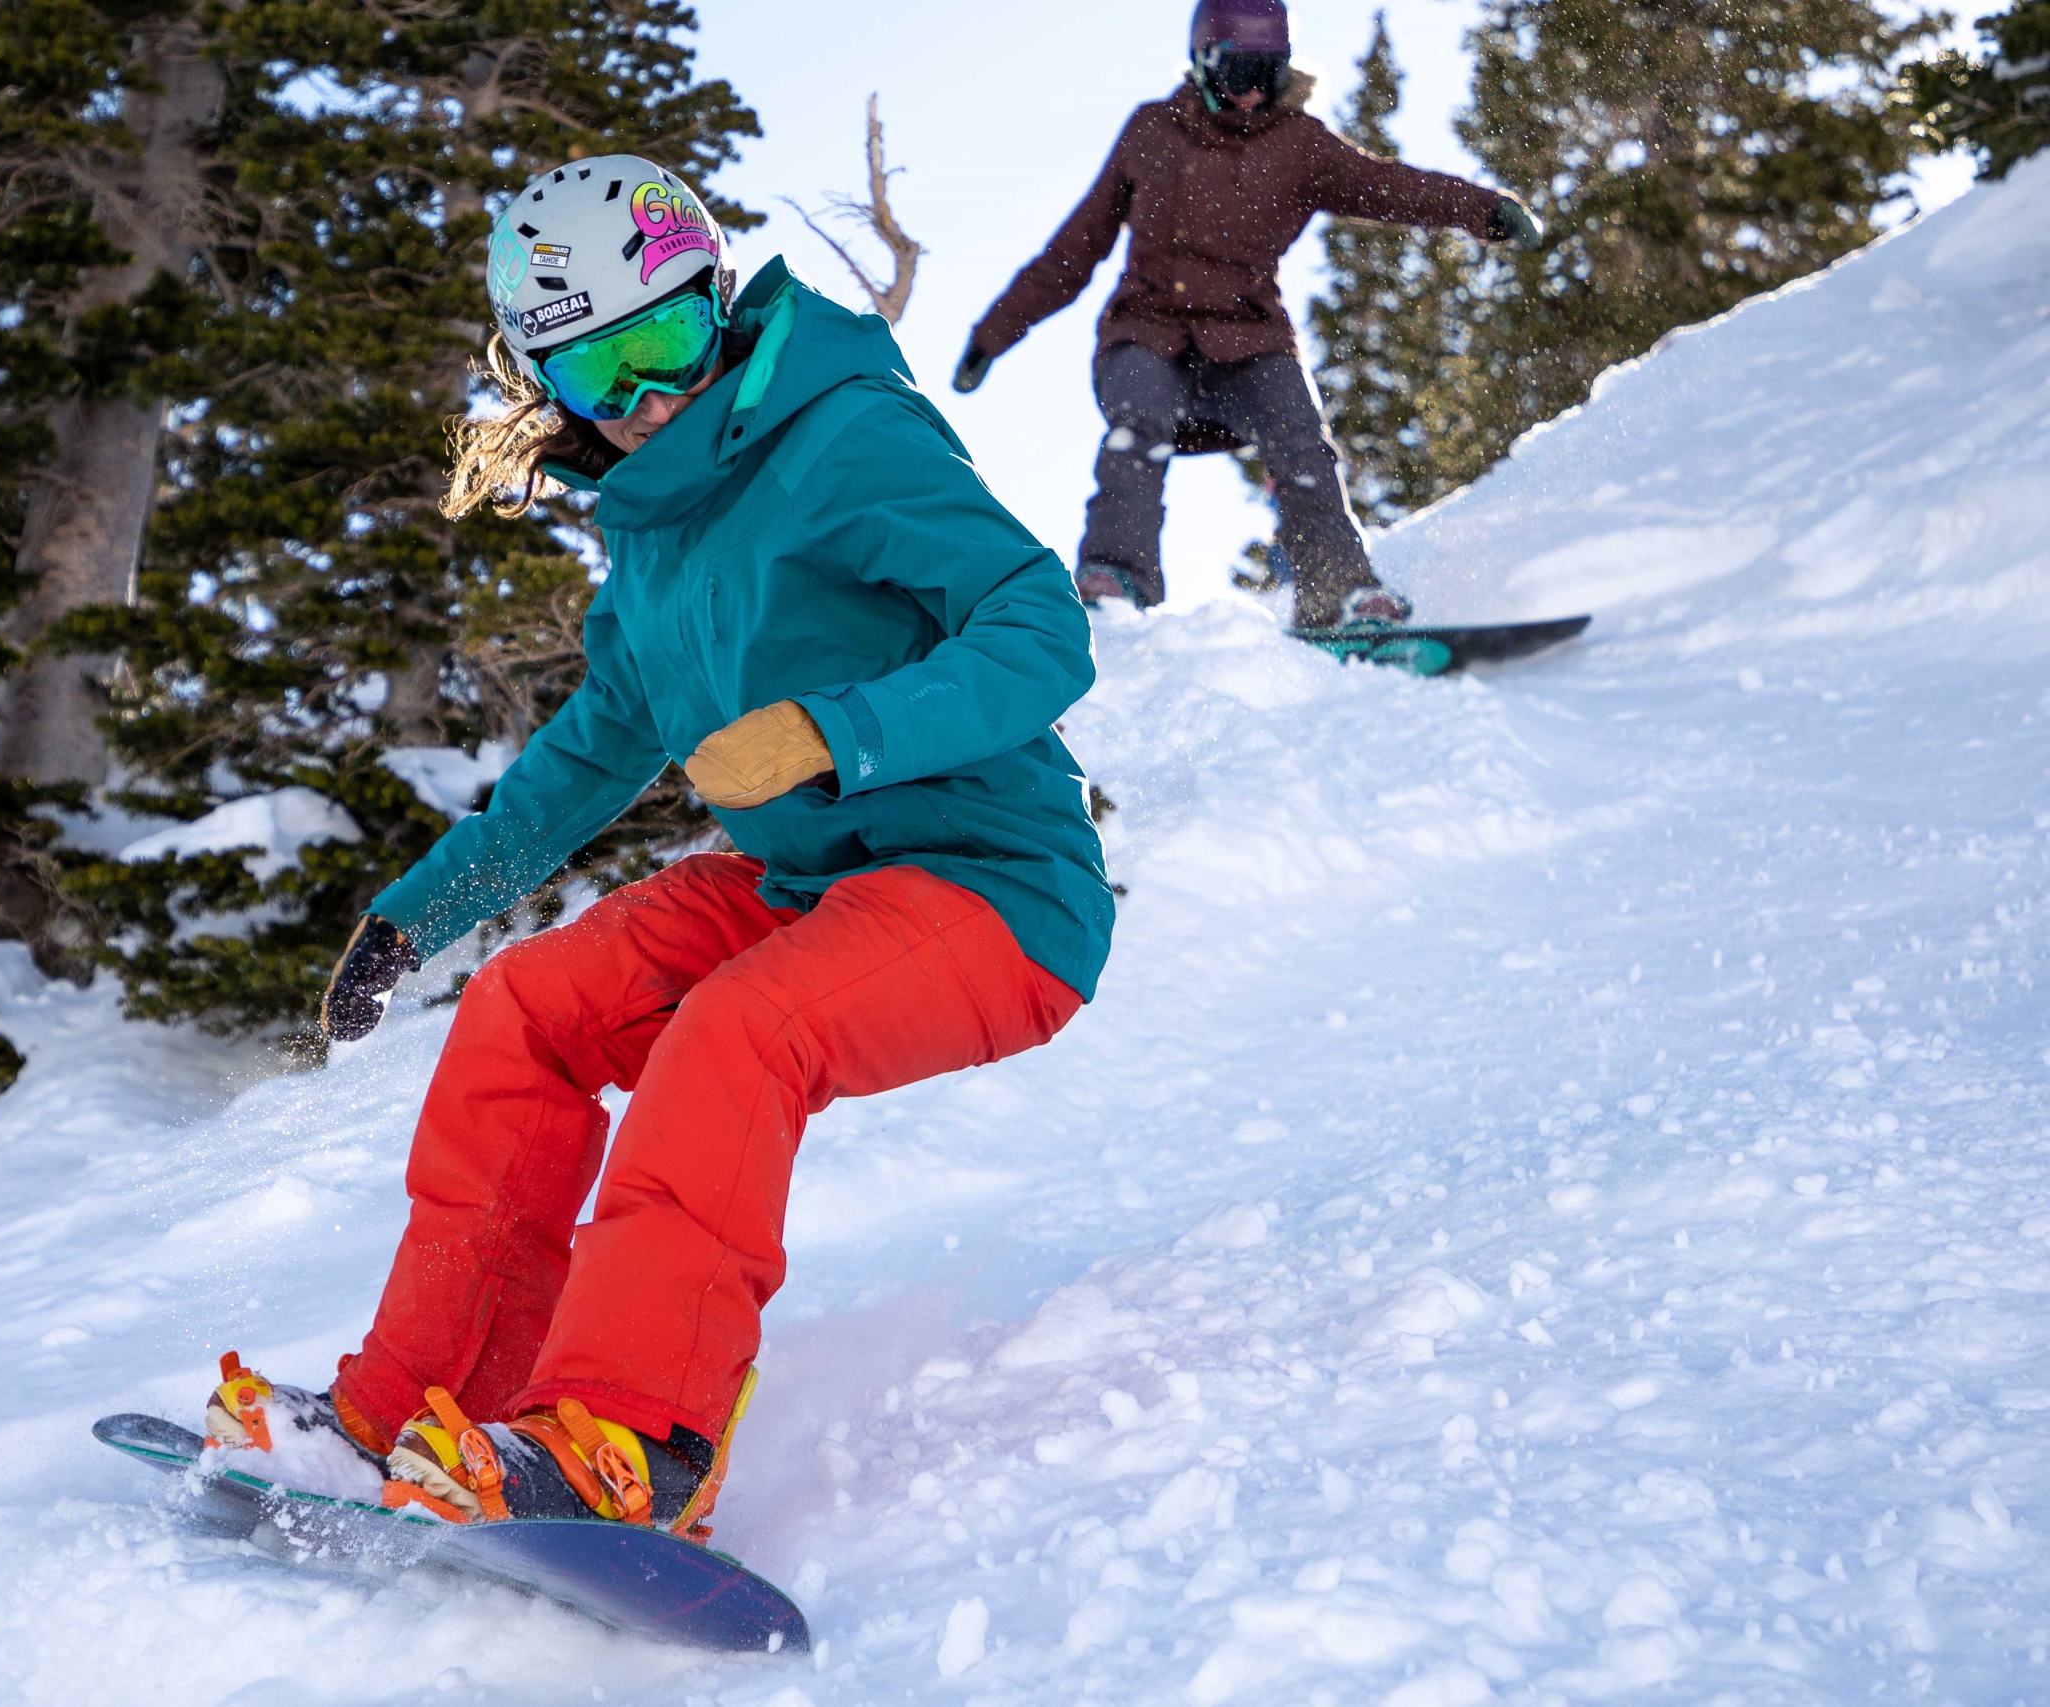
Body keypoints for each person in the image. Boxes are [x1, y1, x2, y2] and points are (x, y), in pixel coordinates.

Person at [203, 156, 1113, 1538]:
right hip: (807, 885)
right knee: (530, 1009)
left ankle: (635, 1439)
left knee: (738, 1031)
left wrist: (834, 731)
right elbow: (582, 761)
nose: (645, 402)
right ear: (544, 387)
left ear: (717, 305)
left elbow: (1041, 623)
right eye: (596, 375)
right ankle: (409, 1409)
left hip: (994, 885)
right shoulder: (651, 548)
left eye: (667, 343)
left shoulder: (845, 434)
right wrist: (417, 918)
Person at [951, 0, 1545, 626]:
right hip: (1147, 333)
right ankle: (1117, 577)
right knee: (1136, 425)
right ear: (1204, 65)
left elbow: (1392, 186)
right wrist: (992, 336)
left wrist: (1487, 210)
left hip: (1249, 340)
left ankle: (1337, 595)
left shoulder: (1299, 146)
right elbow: (1075, 250)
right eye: (1239, 75)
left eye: (1270, 74)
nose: (1252, 95)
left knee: (1303, 445)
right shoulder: (1152, 133)